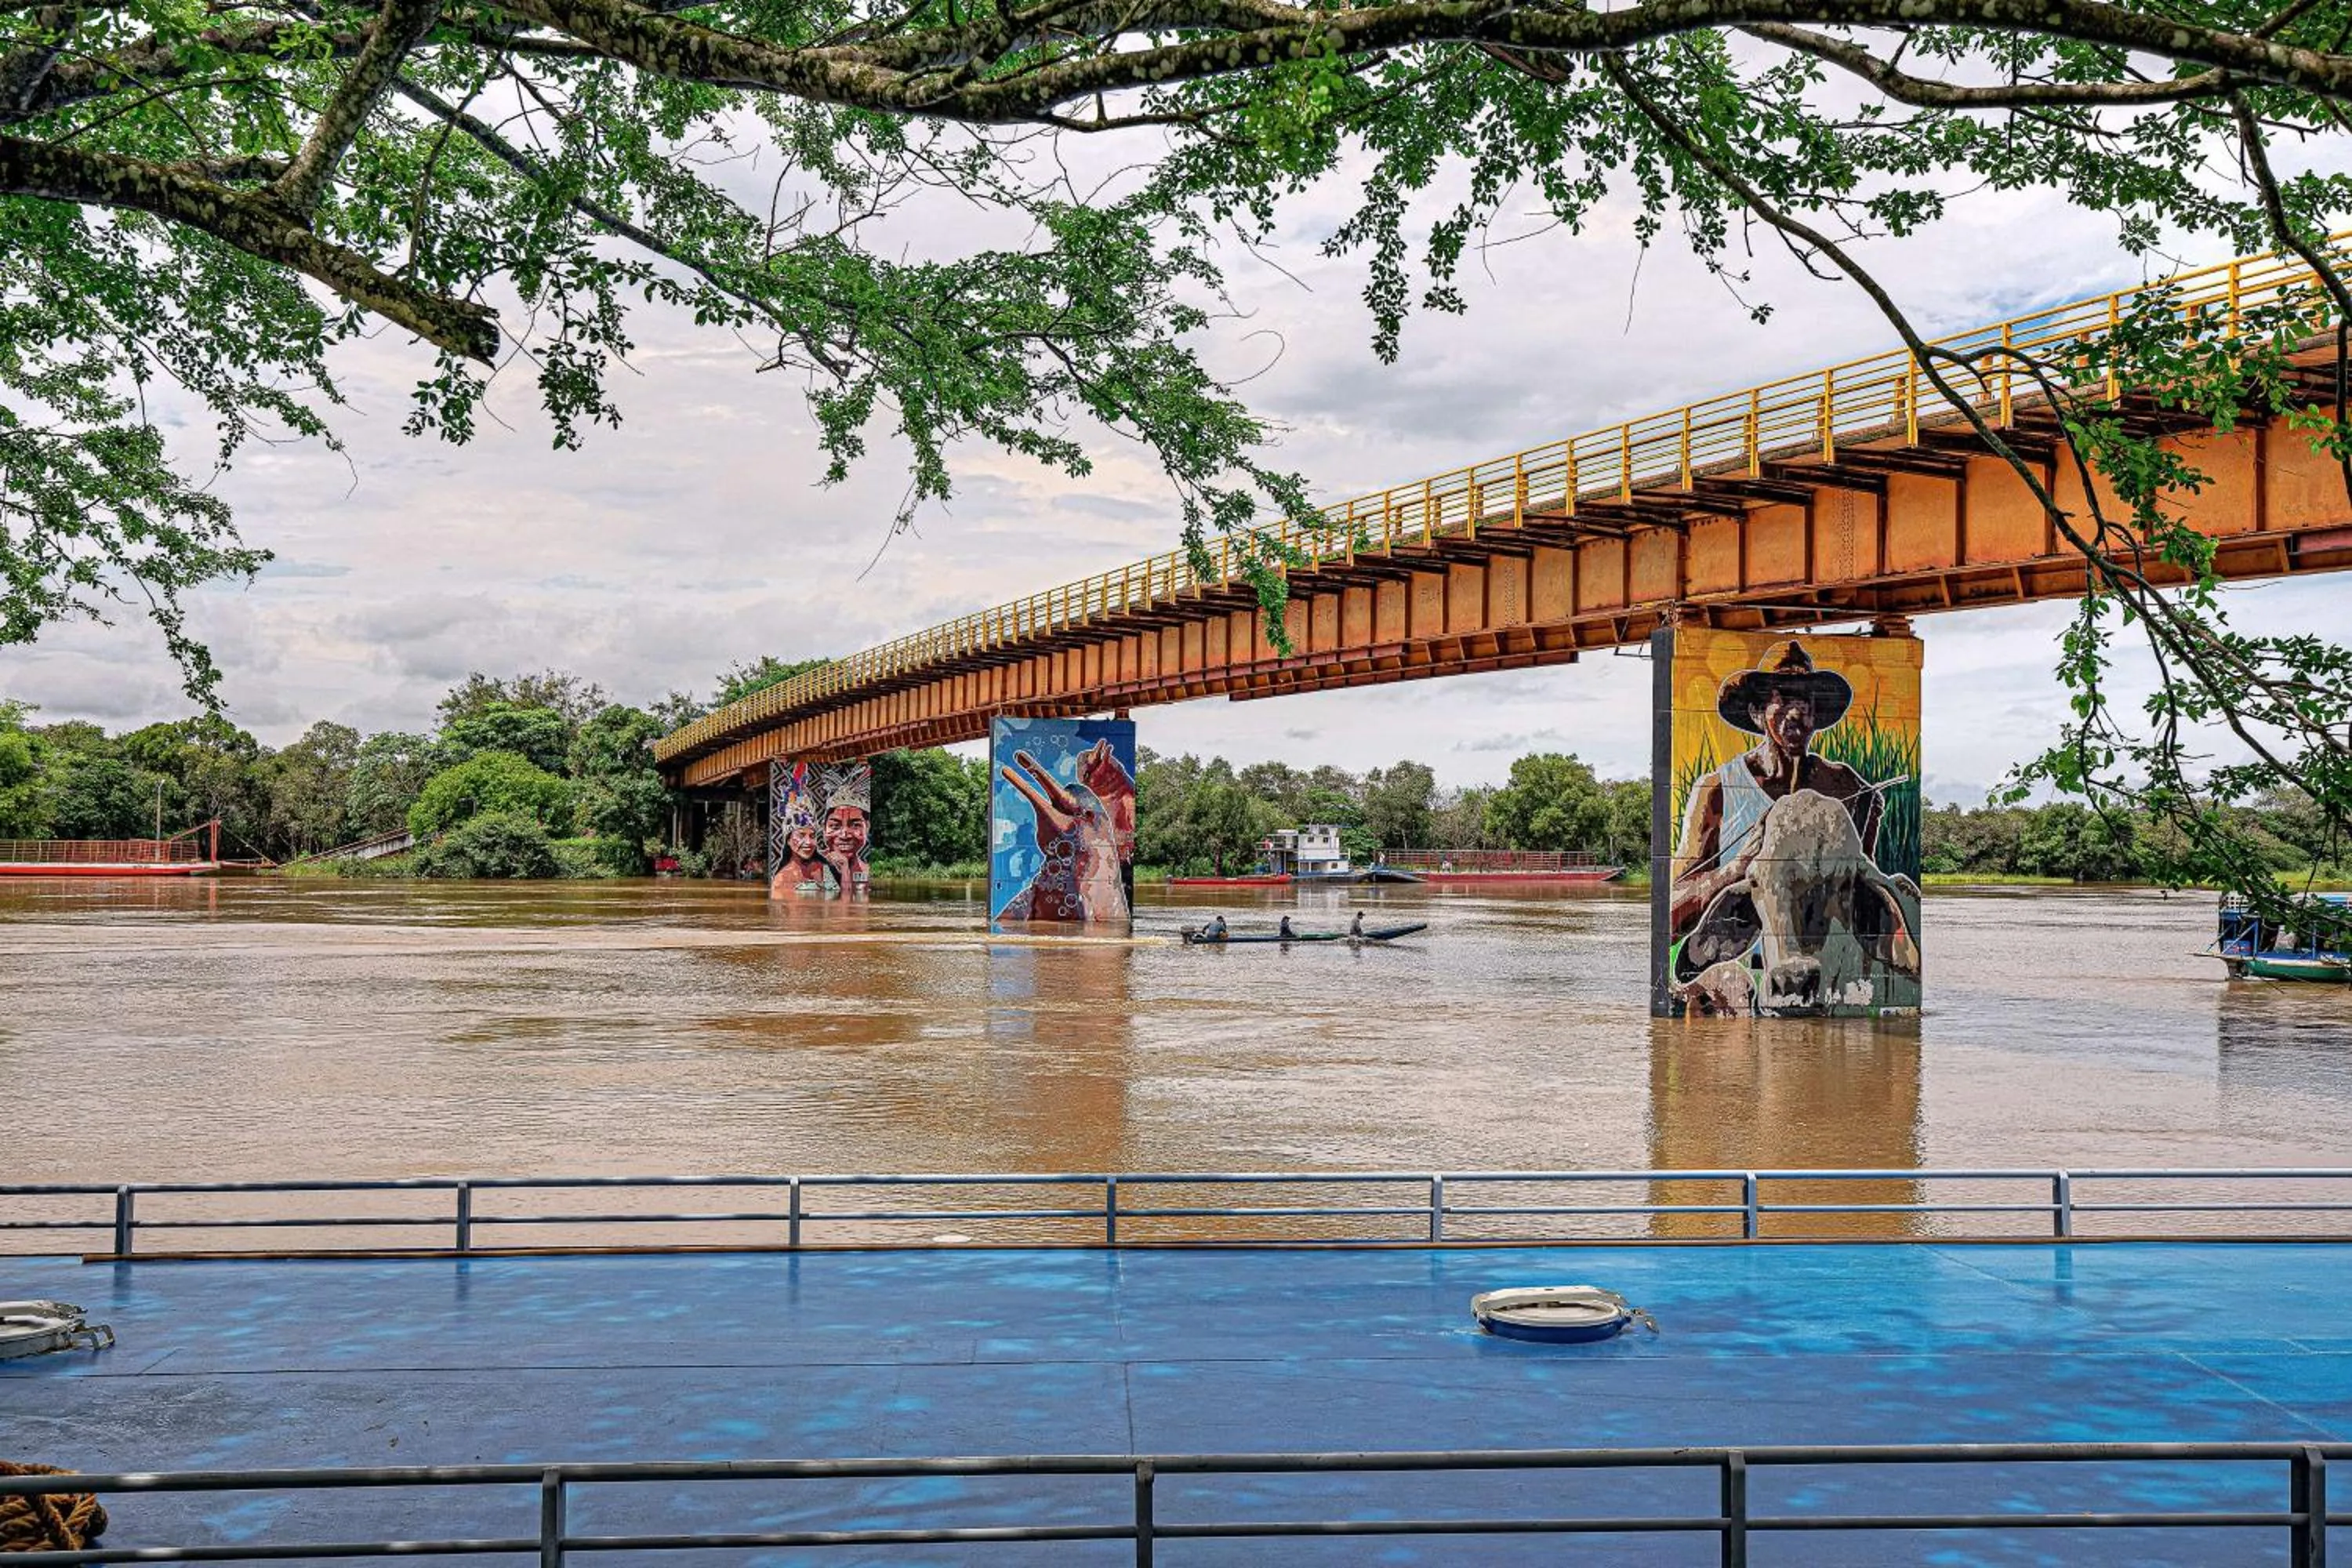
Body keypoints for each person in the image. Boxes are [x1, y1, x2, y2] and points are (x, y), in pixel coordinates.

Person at [1670, 640, 1879, 938]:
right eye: (1783, 699)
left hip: (1819, 955)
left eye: (1805, 700)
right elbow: (1672, 910)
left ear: (1816, 713)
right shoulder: (1717, 788)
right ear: (1757, 712)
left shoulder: (1843, 785)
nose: (1796, 712)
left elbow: (1864, 892)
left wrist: (1869, 828)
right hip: (1736, 956)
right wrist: (1737, 868)